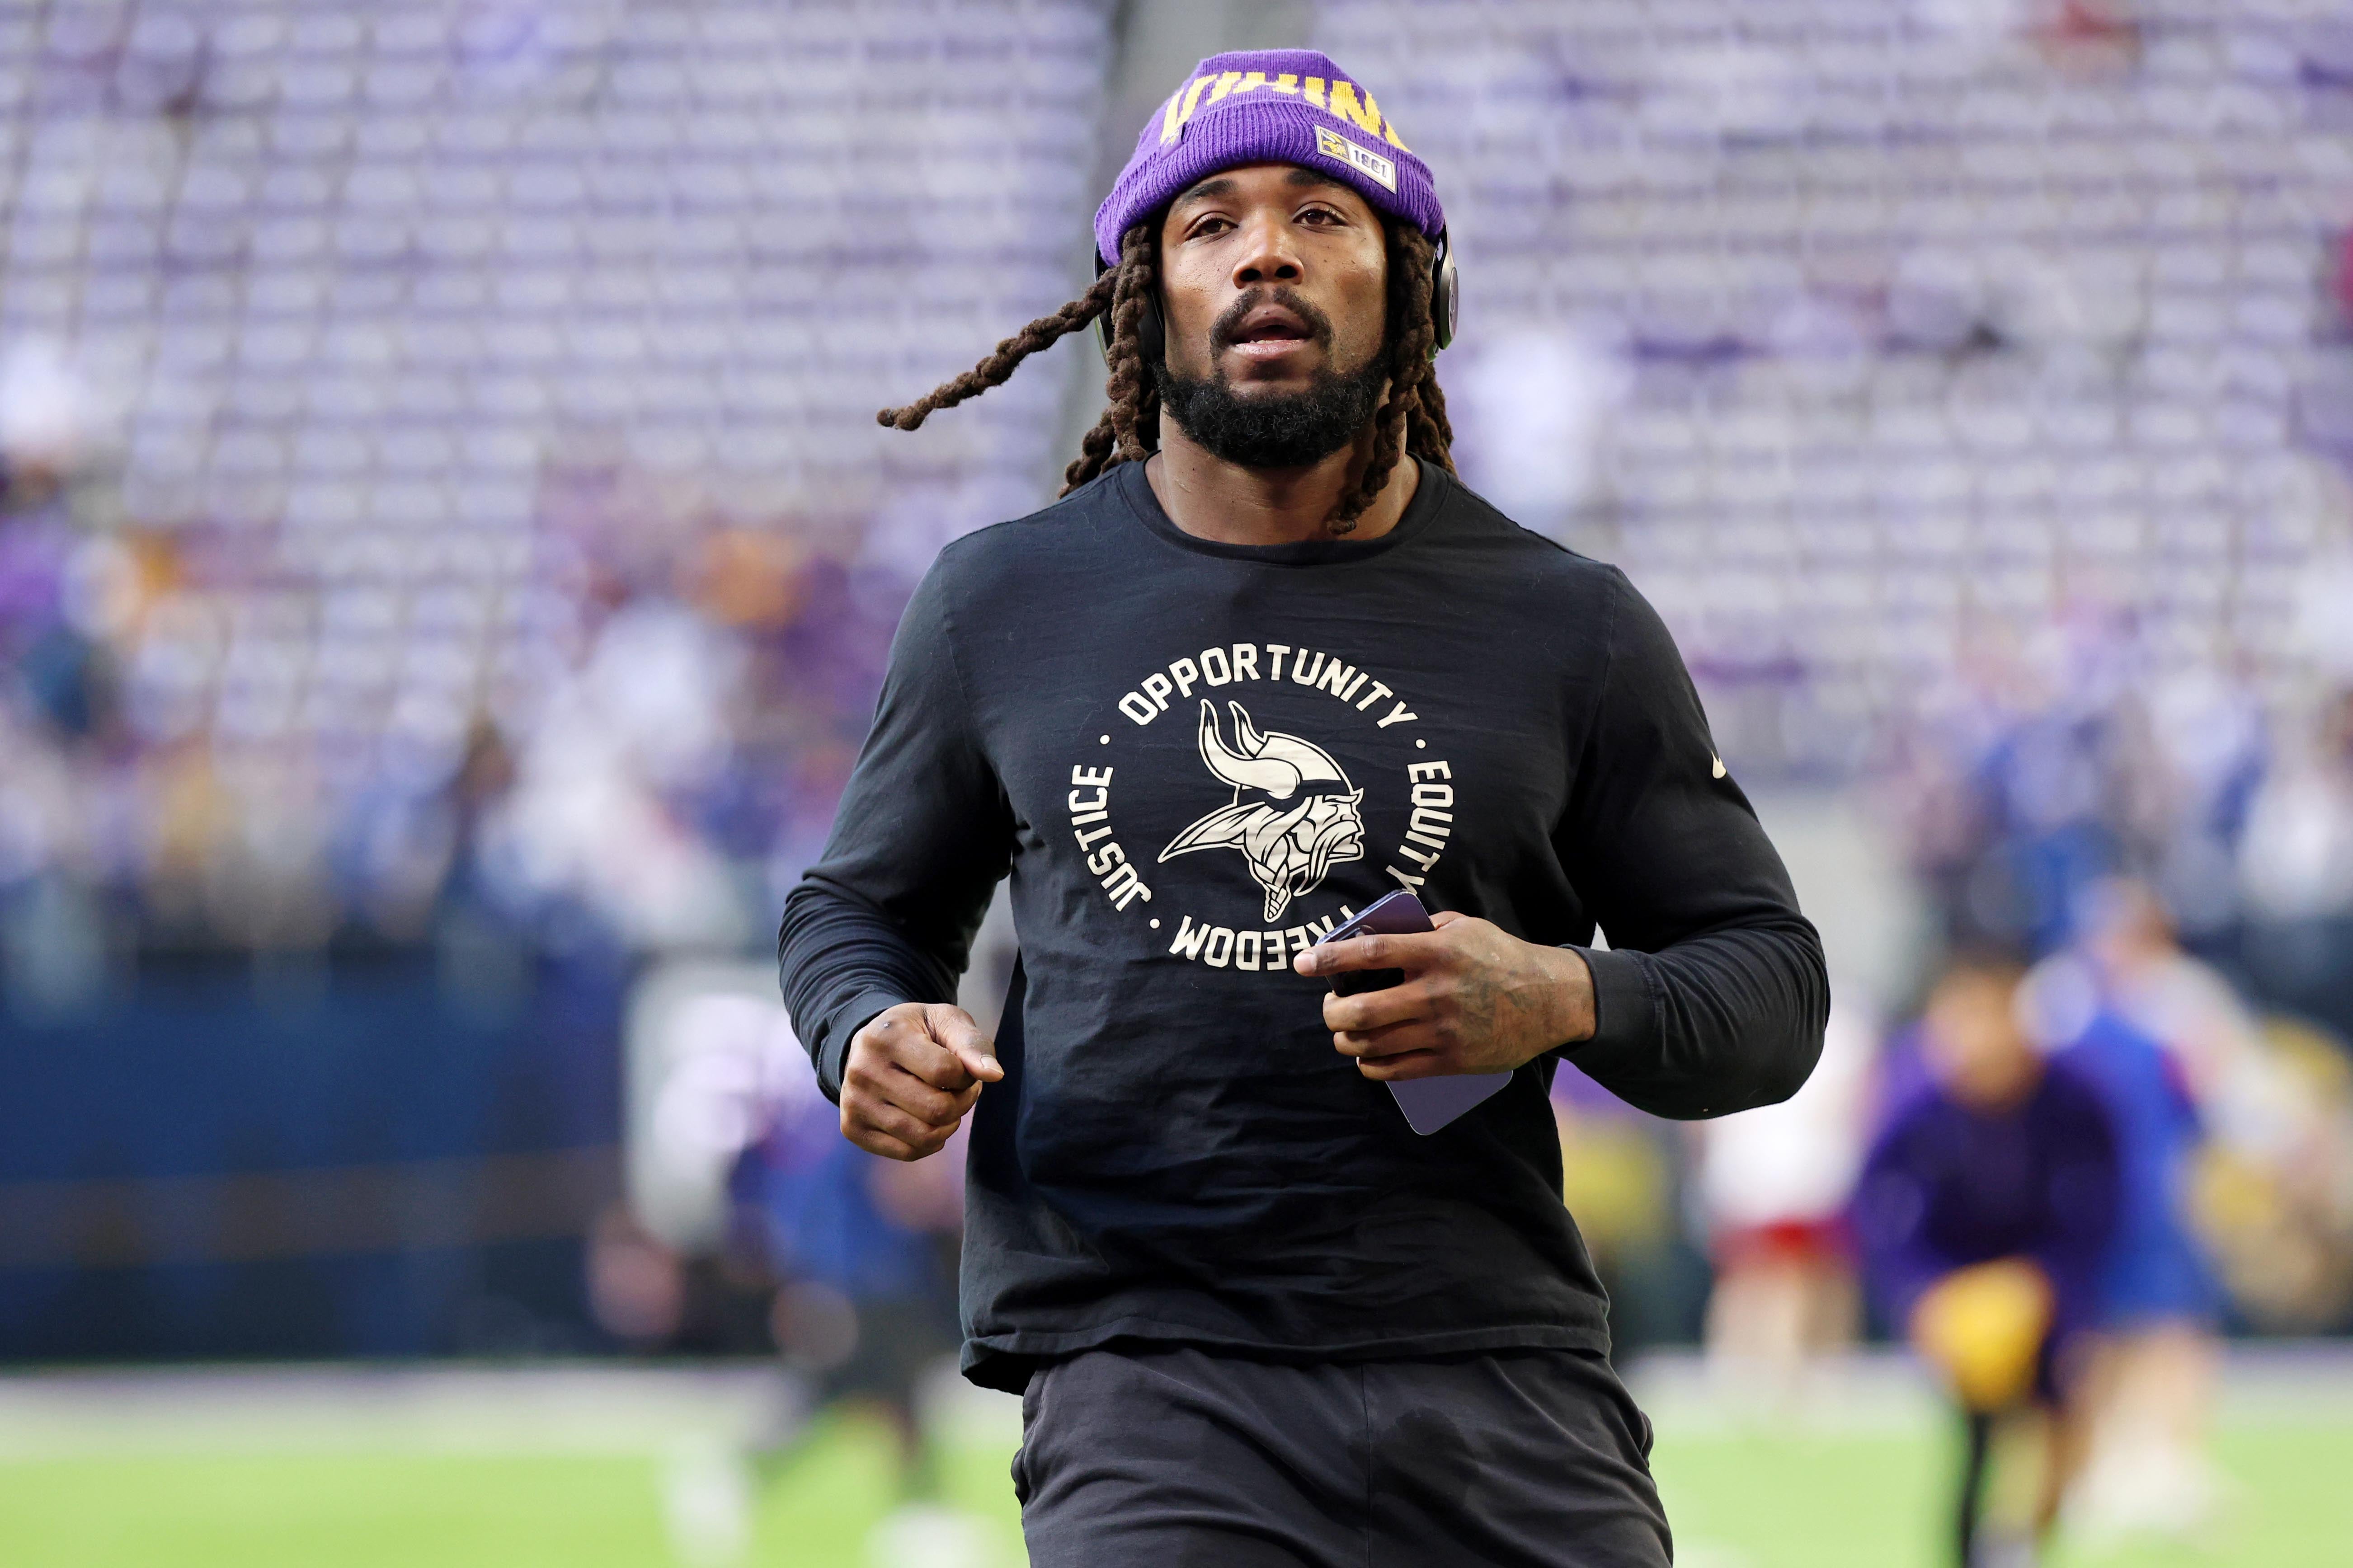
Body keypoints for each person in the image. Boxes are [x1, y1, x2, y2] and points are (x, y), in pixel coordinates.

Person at [780, 50, 1829, 1566]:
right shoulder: (999, 601)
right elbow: (857, 912)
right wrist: (863, 1027)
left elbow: (1770, 990)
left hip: (1500, 1376)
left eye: (1320, 217)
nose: (1264, 248)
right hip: (1149, 1383)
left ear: (1410, 289)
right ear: (1142, 298)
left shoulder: (1567, 622)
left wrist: (1553, 991)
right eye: (1208, 222)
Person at [1853, 952, 2122, 1568]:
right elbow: (1878, 1207)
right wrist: (1919, 1293)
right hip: (1959, 1290)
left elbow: (2100, 1204)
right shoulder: (1918, 1101)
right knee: (1974, 1439)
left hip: (2044, 1282)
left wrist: (2056, 1285)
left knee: (2064, 1428)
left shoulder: (2071, 1097)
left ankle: (2027, 1545)